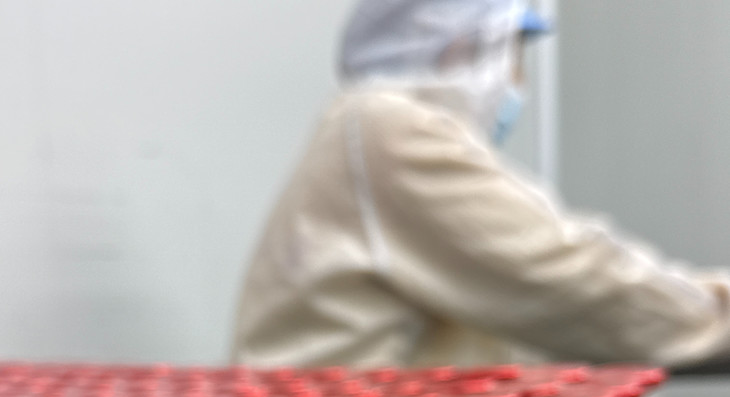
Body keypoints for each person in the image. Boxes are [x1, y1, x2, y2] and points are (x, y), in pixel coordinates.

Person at [231, 0, 730, 370]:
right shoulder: (386, 126)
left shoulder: (367, 127)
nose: (517, 84)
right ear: (463, 48)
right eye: (514, 58)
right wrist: (715, 317)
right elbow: (564, 275)